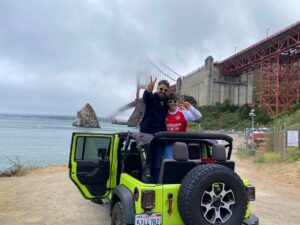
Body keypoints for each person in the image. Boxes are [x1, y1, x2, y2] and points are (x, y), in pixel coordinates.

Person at [134, 76, 169, 182]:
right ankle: (145, 183)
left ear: (167, 91)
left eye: (165, 90)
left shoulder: (167, 102)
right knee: (146, 163)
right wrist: (148, 90)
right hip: (146, 136)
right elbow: (146, 98)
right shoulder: (152, 98)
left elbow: (173, 107)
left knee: (158, 163)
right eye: (160, 89)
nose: (162, 92)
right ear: (157, 89)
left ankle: (156, 183)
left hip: (160, 137)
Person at [164, 93, 202, 159]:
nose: (173, 103)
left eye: (175, 101)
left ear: (177, 102)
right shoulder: (164, 113)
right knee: (169, 164)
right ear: (167, 103)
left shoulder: (183, 112)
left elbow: (199, 116)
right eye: (170, 102)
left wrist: (190, 107)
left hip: (181, 143)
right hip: (168, 144)